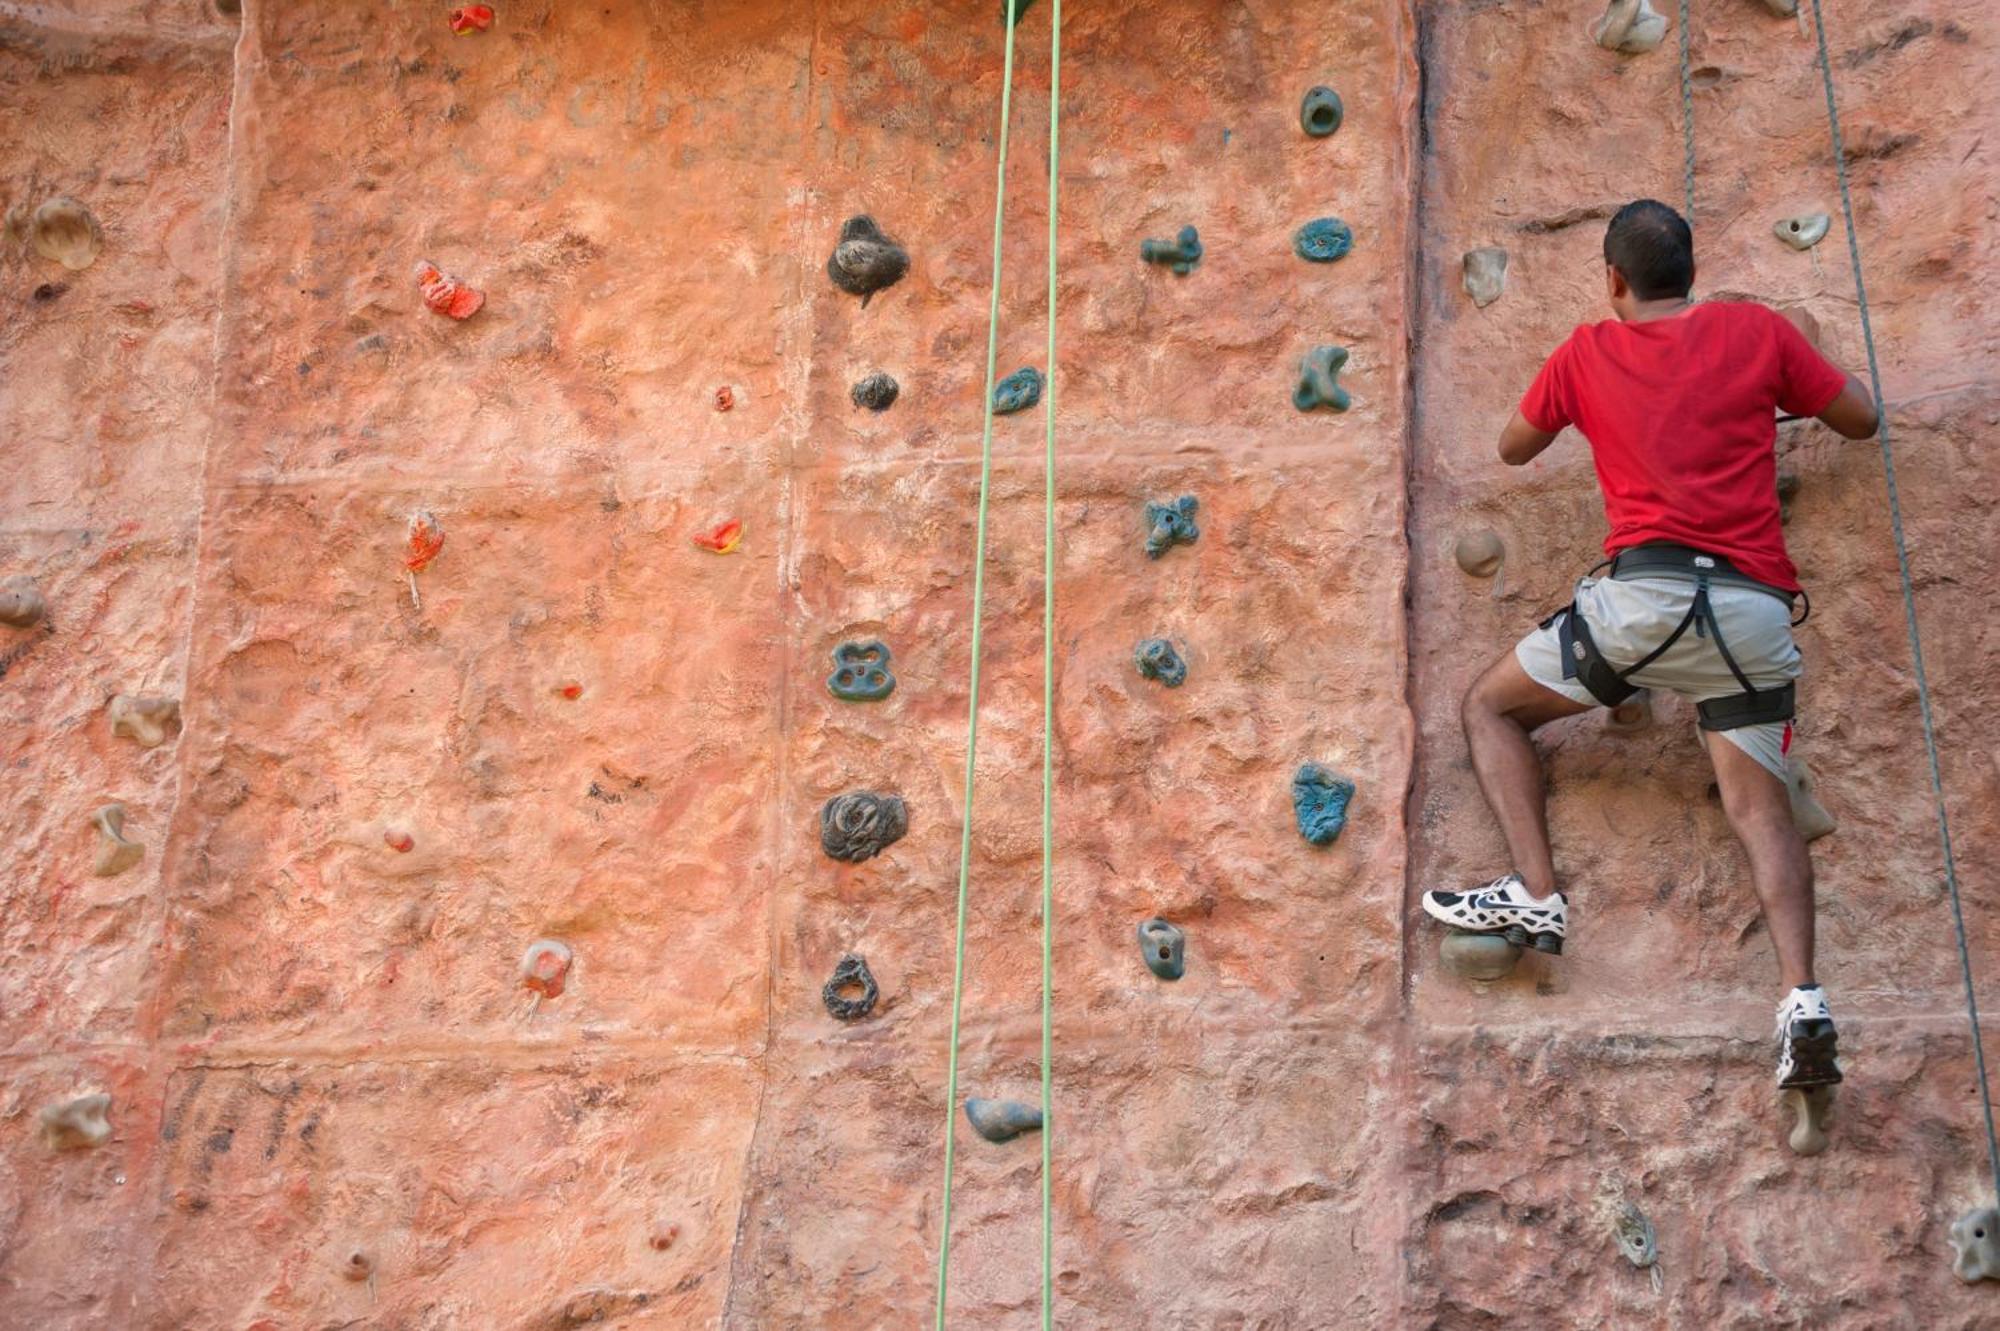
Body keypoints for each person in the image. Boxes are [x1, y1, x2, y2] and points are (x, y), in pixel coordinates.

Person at [1420, 199, 1879, 1091]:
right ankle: (1803, 999)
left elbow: (1513, 448)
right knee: (1762, 809)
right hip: (1751, 617)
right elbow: (1858, 417)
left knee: (1489, 705)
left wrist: (1596, 409)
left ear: (1613, 280)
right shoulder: (1757, 334)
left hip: (1641, 604)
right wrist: (1776, 395)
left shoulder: (1588, 350)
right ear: (1694, 273)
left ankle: (1536, 894)